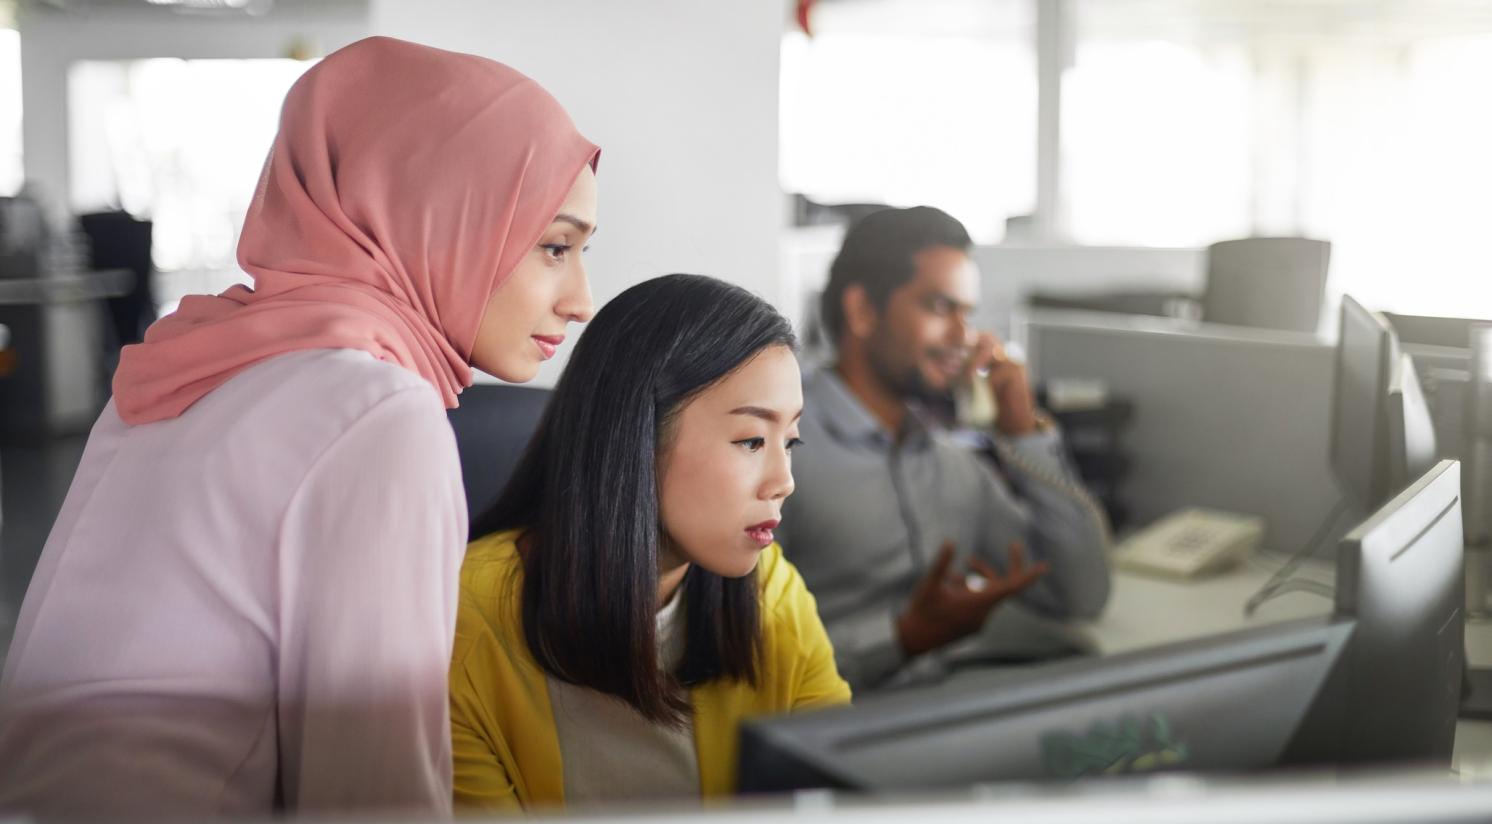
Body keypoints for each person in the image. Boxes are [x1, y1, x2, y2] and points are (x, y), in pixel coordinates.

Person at [0, 36, 598, 817]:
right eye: (555, 247)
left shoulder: (197, 358)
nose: (580, 298)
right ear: (438, 216)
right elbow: (373, 797)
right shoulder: (379, 414)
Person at [450, 274, 850, 812]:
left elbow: (838, 800)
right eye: (752, 440)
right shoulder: (462, 620)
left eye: (790, 441)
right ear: (636, 437)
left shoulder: (773, 595)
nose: (784, 479)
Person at [777, 206, 1112, 692]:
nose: (965, 337)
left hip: (947, 715)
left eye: (967, 313)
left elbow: (1078, 594)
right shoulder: (780, 453)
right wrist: (904, 638)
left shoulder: (950, 464)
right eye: (939, 308)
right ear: (863, 311)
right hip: (829, 736)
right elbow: (745, 662)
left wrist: (1024, 432)